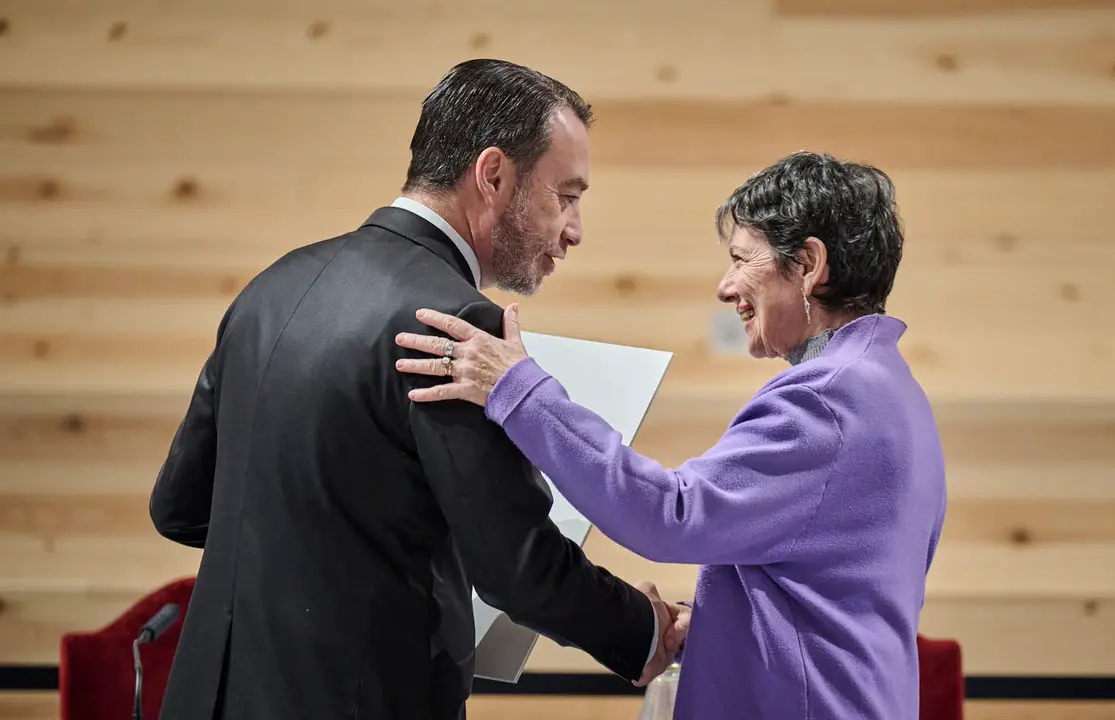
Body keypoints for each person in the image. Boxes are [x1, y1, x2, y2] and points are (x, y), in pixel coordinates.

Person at [148, 59, 679, 720]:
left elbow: (179, 508)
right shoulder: (454, 325)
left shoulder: (270, 288)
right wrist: (646, 631)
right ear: (493, 176)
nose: (573, 229)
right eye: (565, 195)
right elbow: (517, 570)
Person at [392, 151, 949, 719]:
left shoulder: (826, 401)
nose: (725, 287)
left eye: (740, 260)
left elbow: (671, 514)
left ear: (808, 264)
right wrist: (722, 624)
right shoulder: (891, 391)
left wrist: (518, 388)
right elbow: (837, 594)